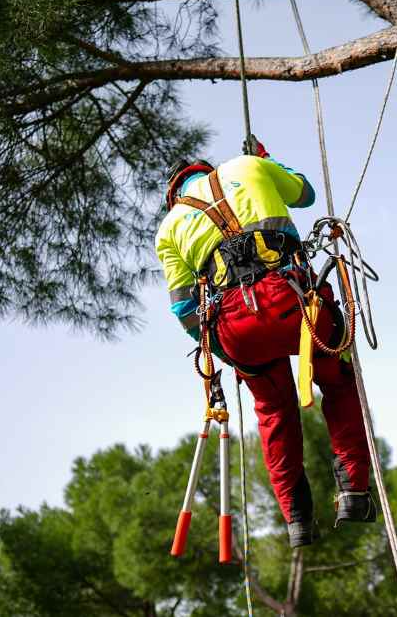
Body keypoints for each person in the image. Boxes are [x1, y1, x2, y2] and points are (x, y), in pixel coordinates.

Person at [155, 139, 374, 548]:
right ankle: (354, 493)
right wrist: (266, 161)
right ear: (207, 169)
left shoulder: (169, 229)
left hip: (238, 328)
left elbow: (184, 310)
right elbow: (305, 193)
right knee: (337, 381)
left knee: (274, 411)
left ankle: (297, 521)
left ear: (175, 196)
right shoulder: (247, 166)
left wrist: (228, 354)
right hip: (293, 301)